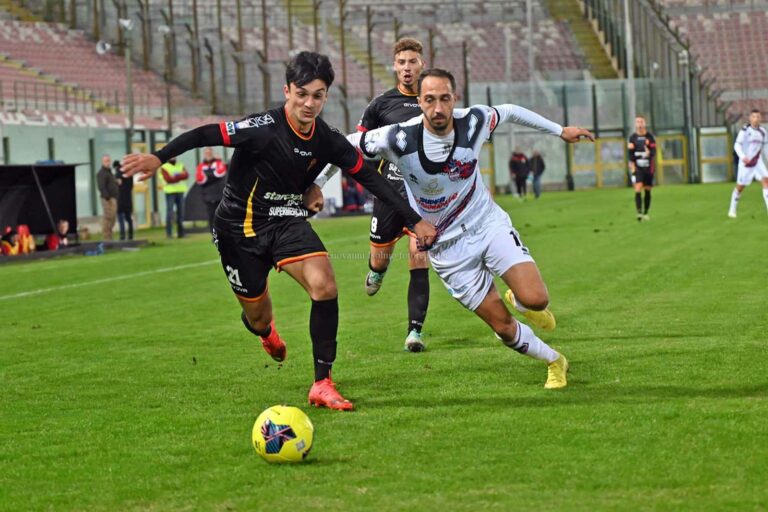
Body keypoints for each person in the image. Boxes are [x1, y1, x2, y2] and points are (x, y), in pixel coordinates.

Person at [121, 51, 436, 411]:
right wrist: (159, 156)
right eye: (301, 93)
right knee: (258, 317)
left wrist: (414, 220)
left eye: (317, 95)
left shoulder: (327, 139)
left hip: (286, 220)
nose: (308, 103)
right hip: (237, 231)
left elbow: (369, 177)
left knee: (325, 285)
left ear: (326, 97)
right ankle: (264, 332)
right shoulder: (262, 128)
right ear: (287, 90)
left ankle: (322, 382)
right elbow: (205, 133)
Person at [317, 68, 594, 389]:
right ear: (419, 101)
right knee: (503, 328)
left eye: (444, 99)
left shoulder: (473, 121)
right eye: (430, 100)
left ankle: (520, 302)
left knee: (535, 299)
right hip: (447, 249)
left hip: (486, 226)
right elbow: (341, 147)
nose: (438, 108)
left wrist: (560, 130)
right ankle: (555, 361)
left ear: (455, 99)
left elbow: (509, 111)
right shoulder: (396, 137)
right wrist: (317, 184)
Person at [330, 37, 432, 352]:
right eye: (401, 62)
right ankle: (378, 271)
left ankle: (414, 332)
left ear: (421, 65)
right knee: (379, 258)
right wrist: (373, 178)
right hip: (389, 196)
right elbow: (358, 147)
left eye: (412, 62)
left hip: (422, 196)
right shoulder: (380, 104)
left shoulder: (434, 100)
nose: (407, 68)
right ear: (394, 66)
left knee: (419, 257)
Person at [728, 109, 768, 218]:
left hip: (758, 162)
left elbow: (765, 148)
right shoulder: (745, 130)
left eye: (758, 117)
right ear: (750, 118)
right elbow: (737, 145)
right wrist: (743, 157)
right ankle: (732, 209)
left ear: (760, 119)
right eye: (754, 117)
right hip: (746, 163)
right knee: (740, 187)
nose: (756, 119)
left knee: (766, 181)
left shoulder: (763, 132)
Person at [627, 116, 656, 221]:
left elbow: (653, 152)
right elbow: (630, 155)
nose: (639, 124)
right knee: (638, 188)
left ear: (645, 123)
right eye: (637, 122)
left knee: (647, 190)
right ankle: (639, 213)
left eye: (641, 122)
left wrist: (649, 152)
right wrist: (632, 166)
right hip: (638, 167)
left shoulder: (650, 137)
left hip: (648, 168)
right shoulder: (632, 138)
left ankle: (646, 212)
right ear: (635, 124)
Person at [196, 147, 228, 231]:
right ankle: (213, 235)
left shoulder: (219, 163)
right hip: (208, 196)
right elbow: (201, 179)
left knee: (221, 215)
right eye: (206, 153)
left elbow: (220, 173)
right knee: (211, 216)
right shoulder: (201, 166)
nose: (208, 154)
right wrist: (212, 175)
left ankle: (222, 233)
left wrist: (207, 175)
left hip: (220, 195)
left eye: (210, 152)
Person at [160, 158, 189, 238]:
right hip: (170, 192)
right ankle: (169, 234)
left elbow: (186, 175)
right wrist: (180, 176)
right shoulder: (164, 167)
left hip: (180, 191)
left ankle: (181, 233)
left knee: (181, 213)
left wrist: (175, 176)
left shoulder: (180, 165)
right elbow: (168, 179)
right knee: (170, 213)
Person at [96, 154, 118, 240]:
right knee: (108, 217)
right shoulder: (101, 173)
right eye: (106, 161)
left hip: (113, 197)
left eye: (109, 160)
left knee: (113, 218)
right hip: (107, 199)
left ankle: (109, 235)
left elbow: (110, 183)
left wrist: (116, 182)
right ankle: (107, 237)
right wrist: (107, 197)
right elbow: (101, 186)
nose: (108, 162)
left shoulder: (109, 172)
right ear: (102, 162)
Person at [115, 160, 134, 241]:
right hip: (128, 198)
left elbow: (118, 182)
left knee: (121, 218)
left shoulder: (118, 172)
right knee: (129, 218)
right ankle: (130, 236)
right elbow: (131, 186)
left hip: (120, 198)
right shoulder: (130, 173)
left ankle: (122, 236)